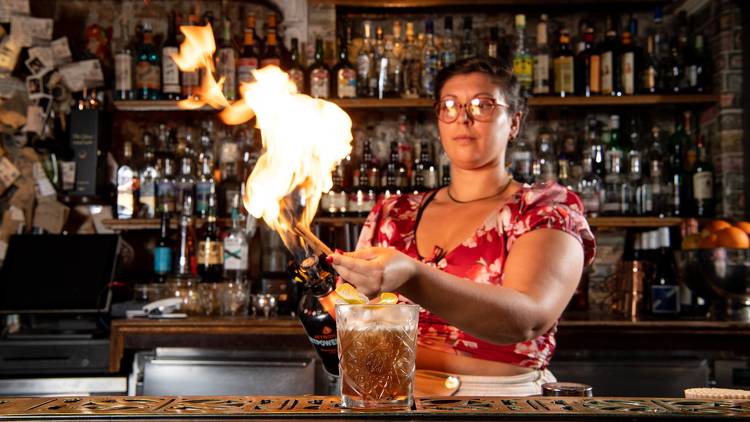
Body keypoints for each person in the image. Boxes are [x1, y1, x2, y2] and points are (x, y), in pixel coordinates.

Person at [328, 56, 596, 397]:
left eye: (483, 105)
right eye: (450, 105)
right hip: (392, 399)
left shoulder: (544, 209)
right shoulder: (394, 214)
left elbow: (529, 318)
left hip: (502, 402)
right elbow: (356, 322)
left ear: (514, 122)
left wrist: (413, 275)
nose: (463, 118)